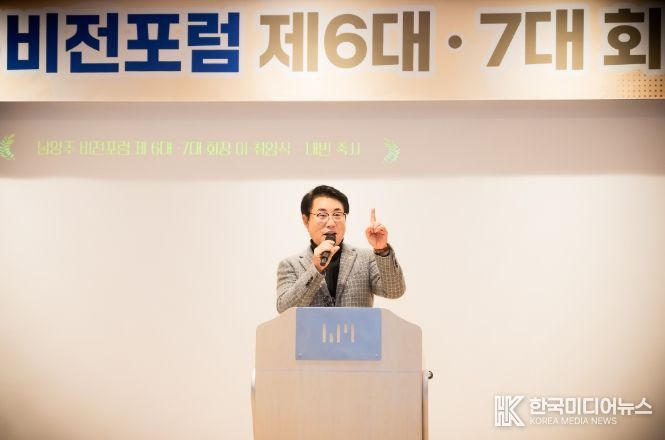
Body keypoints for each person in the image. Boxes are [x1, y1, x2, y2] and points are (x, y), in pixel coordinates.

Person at [276, 185, 406, 313]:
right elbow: (285, 310)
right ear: (306, 220)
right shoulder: (290, 265)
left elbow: (394, 291)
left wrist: (381, 250)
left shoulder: (366, 258)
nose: (331, 223)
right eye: (322, 215)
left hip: (357, 328)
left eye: (337, 214)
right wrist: (315, 269)